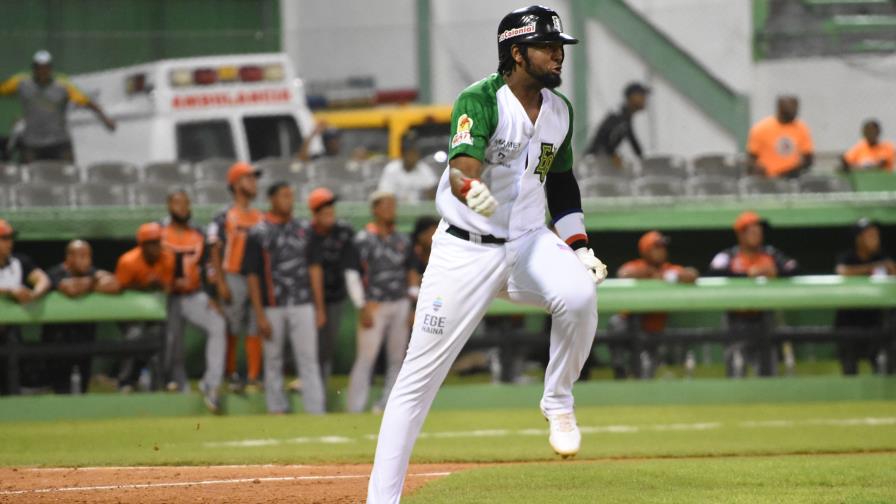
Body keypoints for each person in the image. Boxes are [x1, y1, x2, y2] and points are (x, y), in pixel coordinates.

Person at [366, 7, 608, 501]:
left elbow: (560, 184)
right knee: (416, 384)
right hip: (465, 250)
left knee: (580, 295)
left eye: (559, 44)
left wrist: (578, 244)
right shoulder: (480, 99)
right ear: (516, 53)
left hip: (527, 243)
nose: (557, 53)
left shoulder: (559, 110)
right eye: (545, 45)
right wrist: (468, 187)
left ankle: (558, 398)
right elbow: (461, 169)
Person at [243, 182, 327, 415]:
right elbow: (252, 275)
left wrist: (319, 307)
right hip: (272, 305)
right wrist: (259, 314)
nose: (288, 200)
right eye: (283, 196)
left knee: (309, 359)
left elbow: (315, 268)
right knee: (273, 360)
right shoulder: (258, 231)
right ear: (271, 199)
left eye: (291, 195)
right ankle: (276, 408)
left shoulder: (305, 229)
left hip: (303, 303)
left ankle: (316, 409)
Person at [346, 192, 420, 414]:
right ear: (375, 209)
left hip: (399, 303)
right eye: (386, 205)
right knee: (366, 358)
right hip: (374, 305)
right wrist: (361, 305)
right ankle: (355, 407)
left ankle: (387, 406)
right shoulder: (362, 239)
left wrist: (413, 305)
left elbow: (412, 272)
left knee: (397, 358)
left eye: (393, 205)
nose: (391, 209)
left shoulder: (403, 239)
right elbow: (352, 274)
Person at [708, 211, 798, 378]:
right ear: (741, 234)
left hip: (764, 317)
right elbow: (714, 272)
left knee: (768, 372)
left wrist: (774, 271)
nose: (758, 233)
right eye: (752, 230)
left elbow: (792, 267)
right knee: (735, 371)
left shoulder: (770, 253)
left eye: (759, 229)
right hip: (736, 318)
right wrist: (747, 274)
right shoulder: (729, 255)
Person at [160, 189, 228, 412]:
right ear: (169, 205)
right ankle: (177, 386)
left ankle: (212, 385)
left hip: (192, 294)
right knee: (173, 343)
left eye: (186, 204)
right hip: (166, 296)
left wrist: (212, 294)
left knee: (218, 324)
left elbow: (209, 267)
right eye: (178, 204)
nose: (183, 208)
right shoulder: (158, 231)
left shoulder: (198, 232)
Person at [207, 162, 264, 393]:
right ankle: (230, 373)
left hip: (256, 278)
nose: (253, 183)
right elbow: (214, 249)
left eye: (253, 178)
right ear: (235, 183)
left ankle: (252, 376)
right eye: (248, 178)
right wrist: (220, 282)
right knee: (231, 325)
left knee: (255, 326)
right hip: (232, 274)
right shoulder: (223, 215)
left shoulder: (260, 216)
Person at [0, 50, 115, 163]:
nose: (42, 71)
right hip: (32, 144)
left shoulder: (63, 85)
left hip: (59, 143)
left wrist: (104, 118)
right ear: (34, 68)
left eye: (46, 67)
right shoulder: (21, 83)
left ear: (50, 69)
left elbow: (86, 102)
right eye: (39, 67)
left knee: (68, 176)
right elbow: (3, 89)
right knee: (27, 178)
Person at [612, 231, 699, 379]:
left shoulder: (668, 269)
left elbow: (693, 274)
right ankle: (620, 371)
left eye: (662, 247)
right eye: (656, 247)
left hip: (655, 330)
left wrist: (673, 276)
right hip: (631, 326)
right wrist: (651, 274)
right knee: (615, 323)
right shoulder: (638, 266)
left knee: (646, 375)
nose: (661, 250)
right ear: (645, 250)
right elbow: (623, 273)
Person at [42, 240, 118, 394]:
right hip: (58, 341)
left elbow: (114, 283)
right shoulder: (55, 272)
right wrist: (93, 284)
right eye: (81, 256)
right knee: (61, 389)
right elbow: (70, 289)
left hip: (85, 338)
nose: (86, 261)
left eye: (88, 256)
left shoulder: (91, 271)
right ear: (69, 257)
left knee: (83, 388)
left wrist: (88, 283)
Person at [308, 187, 361, 390]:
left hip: (335, 297)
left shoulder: (344, 231)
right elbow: (313, 272)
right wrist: (318, 308)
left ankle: (319, 385)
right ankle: (310, 384)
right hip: (308, 299)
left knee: (326, 346)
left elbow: (352, 265)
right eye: (324, 208)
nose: (330, 212)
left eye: (331, 207)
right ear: (315, 212)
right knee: (310, 347)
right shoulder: (308, 234)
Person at [114, 222, 175, 392]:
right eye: (151, 242)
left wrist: (158, 284)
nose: (156, 246)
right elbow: (119, 290)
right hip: (129, 309)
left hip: (153, 309)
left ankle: (163, 383)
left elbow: (167, 288)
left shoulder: (168, 257)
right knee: (134, 336)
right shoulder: (128, 261)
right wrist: (143, 286)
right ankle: (125, 382)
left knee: (160, 337)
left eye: (158, 241)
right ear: (142, 245)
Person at [834, 218, 895, 375]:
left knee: (882, 370)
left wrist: (889, 268)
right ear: (859, 239)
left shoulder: (882, 257)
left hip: (875, 321)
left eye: (876, 235)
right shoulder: (848, 257)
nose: (875, 239)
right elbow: (842, 271)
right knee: (850, 371)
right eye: (870, 235)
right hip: (848, 321)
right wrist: (873, 268)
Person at [0, 218, 50, 395]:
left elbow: (43, 279)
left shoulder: (19, 262)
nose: (9, 243)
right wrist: (9, 291)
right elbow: (10, 290)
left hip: (10, 333)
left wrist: (34, 294)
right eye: (4, 238)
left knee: (11, 382)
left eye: (9, 238)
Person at [747, 95, 814, 179]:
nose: (793, 112)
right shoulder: (761, 128)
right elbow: (751, 158)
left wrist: (792, 172)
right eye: (789, 110)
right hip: (767, 179)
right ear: (779, 108)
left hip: (792, 178)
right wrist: (757, 170)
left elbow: (808, 159)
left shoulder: (801, 128)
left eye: (795, 109)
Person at [585, 82, 650, 167]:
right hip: (595, 162)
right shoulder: (618, 116)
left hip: (601, 161)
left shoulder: (626, 117)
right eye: (641, 95)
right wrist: (612, 154)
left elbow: (633, 141)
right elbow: (603, 139)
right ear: (632, 97)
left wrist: (643, 160)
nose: (644, 99)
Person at [376, 133, 439, 203]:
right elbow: (384, 194)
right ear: (403, 154)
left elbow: (434, 193)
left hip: (419, 210)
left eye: (414, 153)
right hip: (396, 209)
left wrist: (430, 193)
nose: (412, 157)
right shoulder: (391, 169)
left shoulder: (424, 169)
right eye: (409, 154)